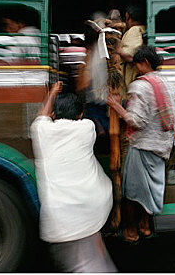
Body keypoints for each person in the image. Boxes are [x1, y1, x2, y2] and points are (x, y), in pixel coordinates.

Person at [30, 81, 116, 272]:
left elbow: (41, 116)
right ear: (80, 115)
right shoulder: (86, 128)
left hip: (63, 215)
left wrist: (52, 93)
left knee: (82, 264)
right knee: (93, 253)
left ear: (53, 116)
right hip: (93, 203)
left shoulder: (41, 131)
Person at [107, 46, 175, 243]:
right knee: (150, 191)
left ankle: (131, 229)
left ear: (145, 63)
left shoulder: (141, 86)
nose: (136, 69)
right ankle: (145, 226)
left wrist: (116, 106)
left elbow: (136, 121)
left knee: (132, 192)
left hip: (142, 146)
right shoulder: (170, 86)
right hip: (163, 147)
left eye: (137, 65)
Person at [116, 5, 147, 98]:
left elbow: (129, 56)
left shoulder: (134, 30)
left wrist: (117, 49)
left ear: (128, 16)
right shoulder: (144, 28)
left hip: (132, 78)